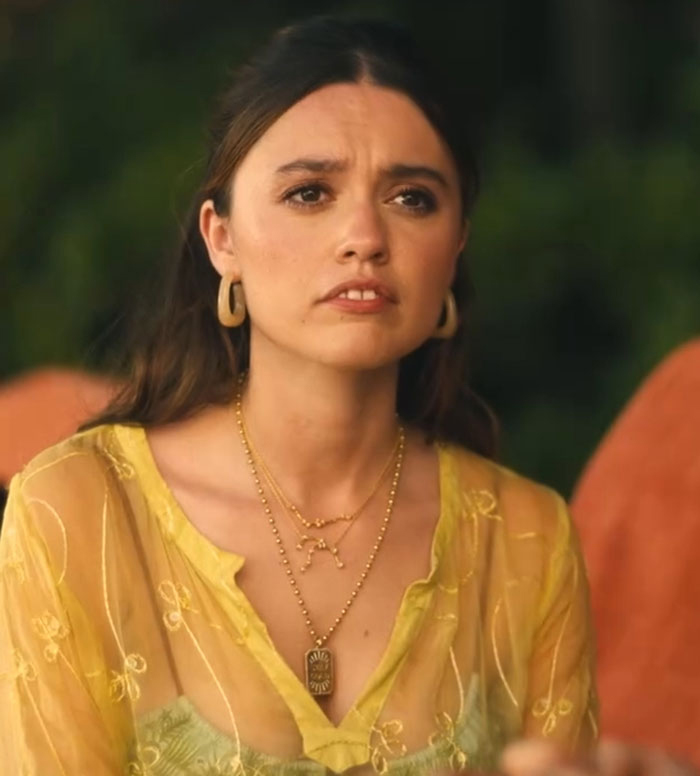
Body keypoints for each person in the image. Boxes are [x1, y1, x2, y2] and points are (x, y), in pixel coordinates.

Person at [0, 17, 596, 775]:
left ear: (456, 249)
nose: (364, 237)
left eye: (412, 198)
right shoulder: (78, 511)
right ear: (222, 239)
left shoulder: (528, 540)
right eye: (310, 192)